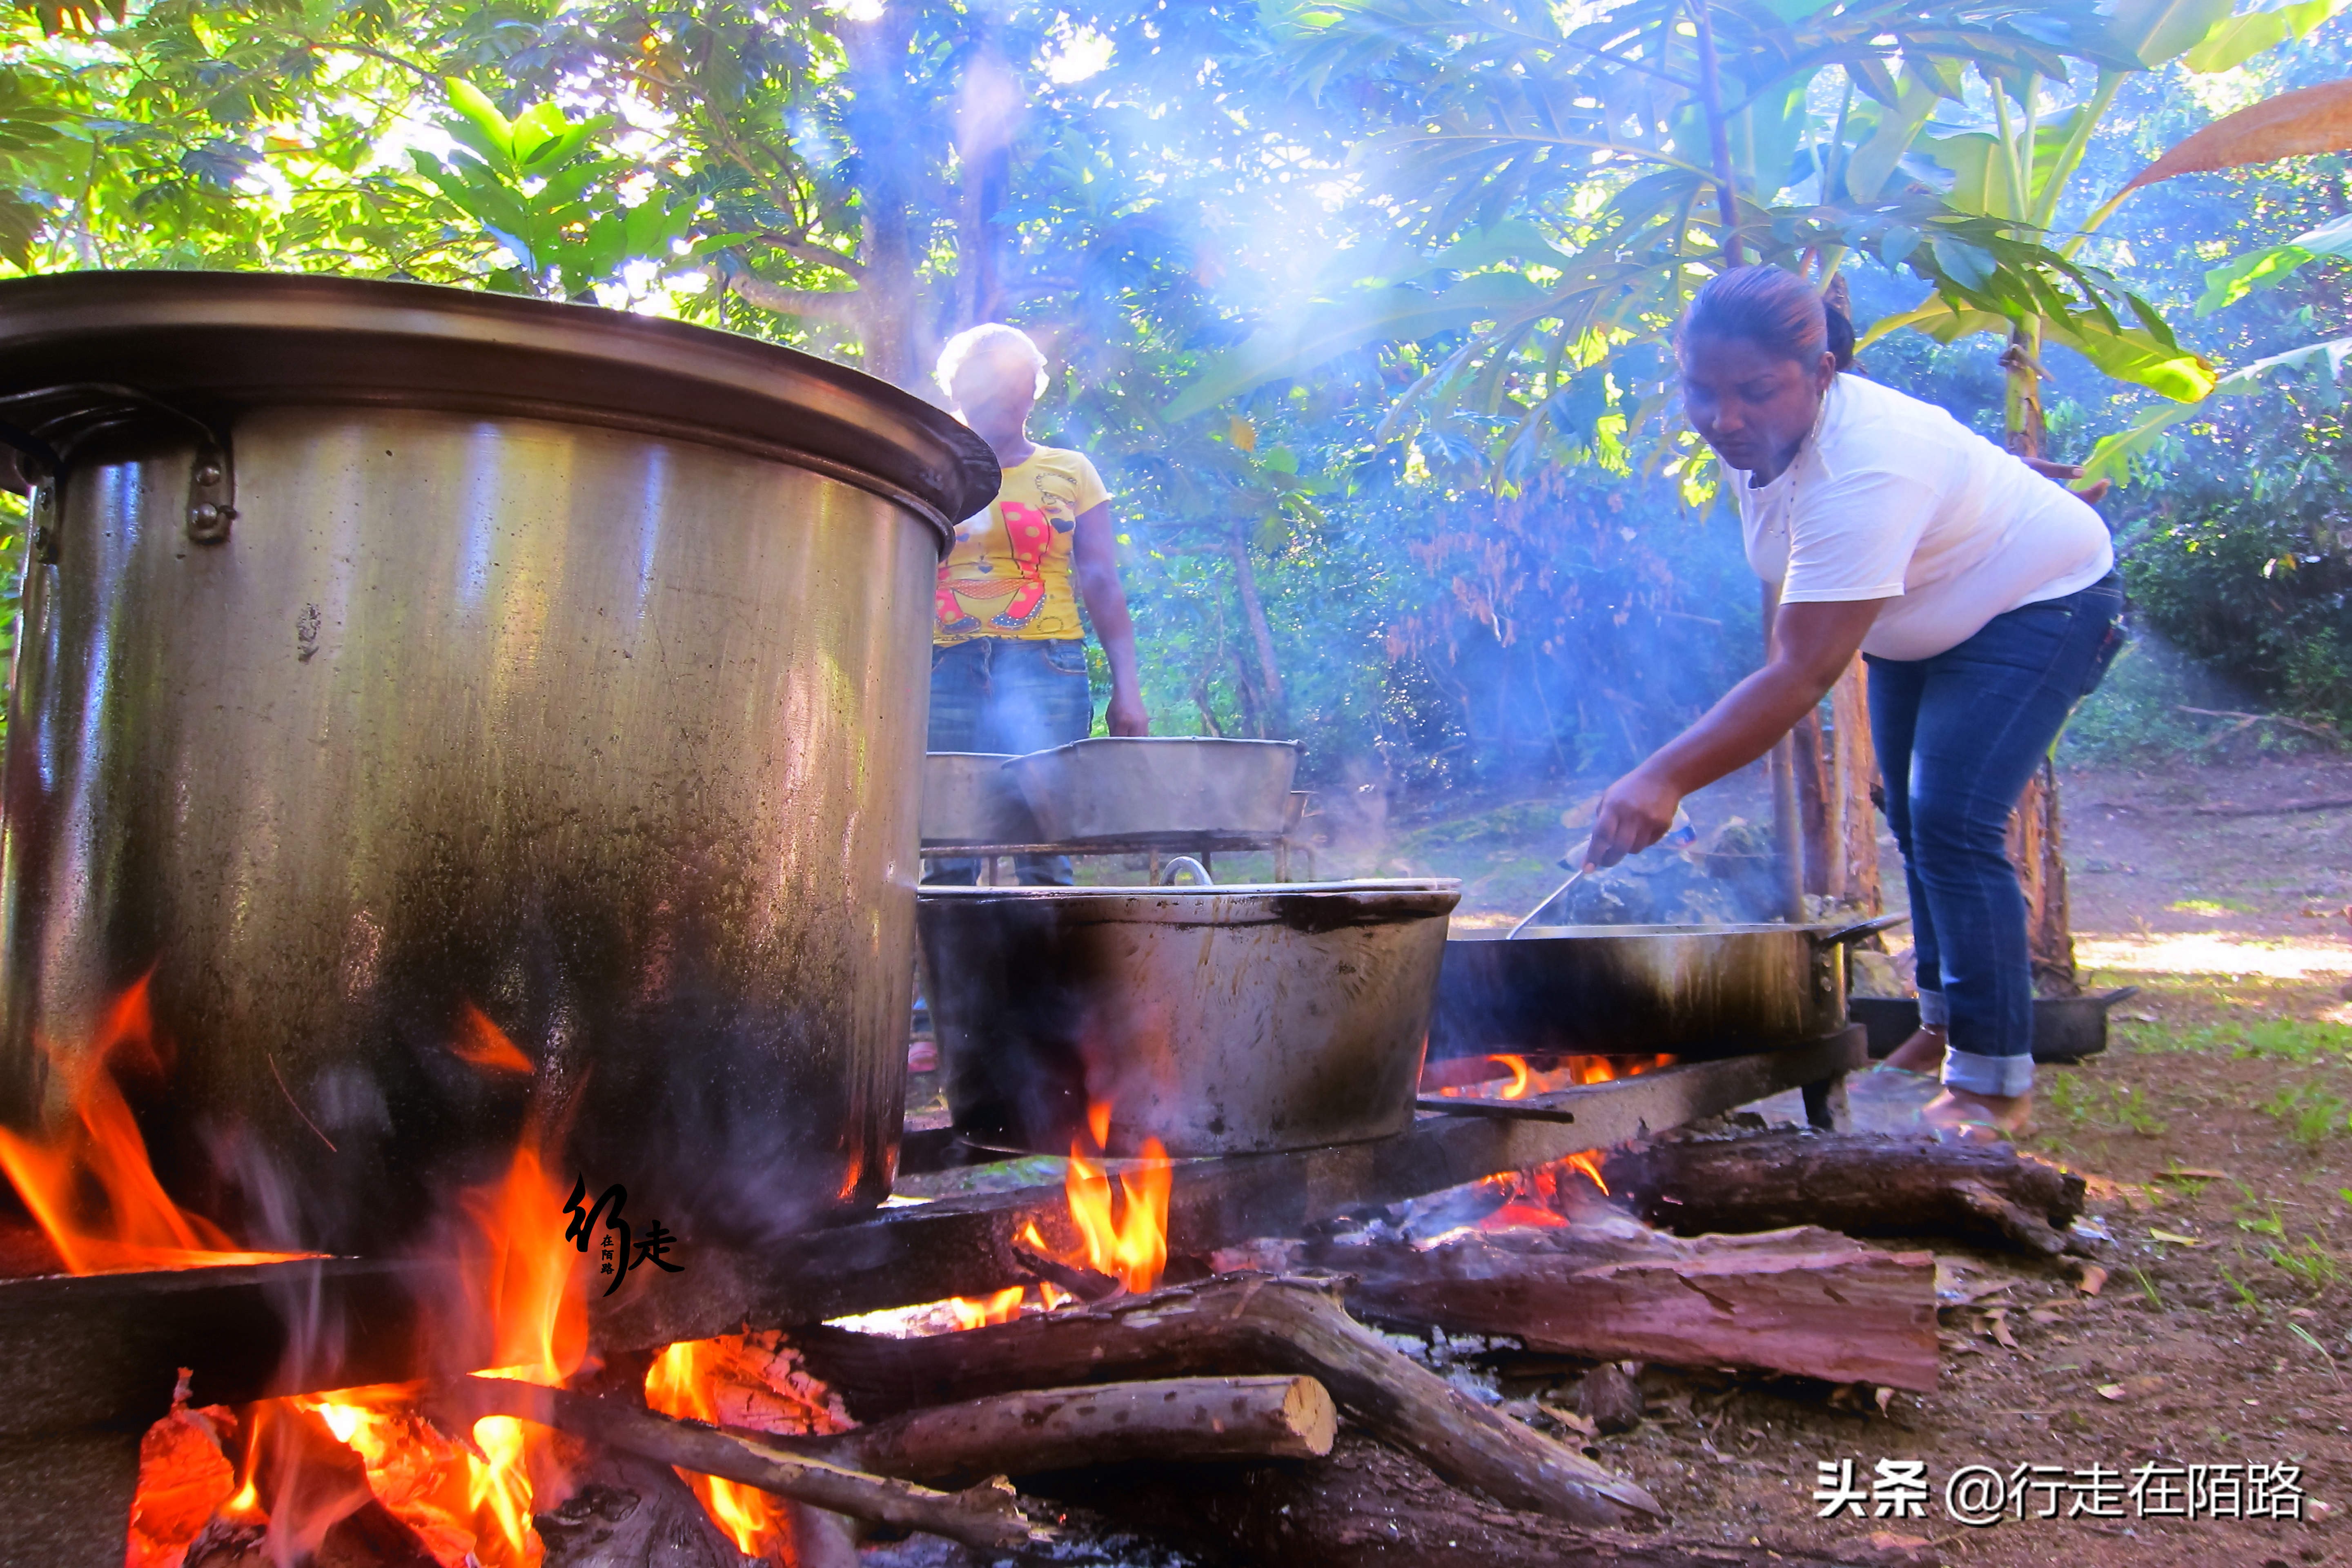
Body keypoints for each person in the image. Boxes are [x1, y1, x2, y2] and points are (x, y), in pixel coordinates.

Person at [1585, 266, 2125, 1138]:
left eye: (1754, 391)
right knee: (1916, 821)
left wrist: (1661, 778)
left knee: (1953, 820)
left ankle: (1992, 1087)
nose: (1724, 417)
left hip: (2041, 602)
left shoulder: (1862, 465)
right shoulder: (1762, 438)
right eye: (1702, 391)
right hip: (1926, 617)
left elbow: (1801, 674)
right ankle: (1945, 1025)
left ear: (1824, 371)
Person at [925, 323, 1148, 886]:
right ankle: (956, 976)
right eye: (983, 386)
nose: (999, 397)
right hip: (943, 668)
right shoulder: (927, 472)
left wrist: (1128, 688)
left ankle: (1047, 976)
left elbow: (1100, 578)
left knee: (1045, 849)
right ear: (958, 394)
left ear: (1031, 392)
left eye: (1012, 384)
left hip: (1047, 667)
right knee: (945, 852)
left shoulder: (1070, 471)